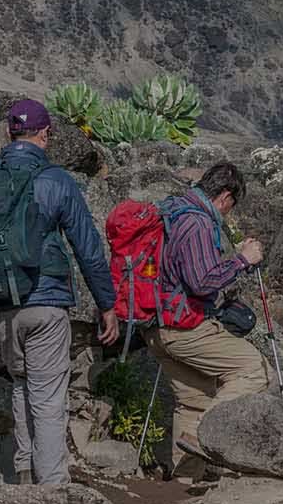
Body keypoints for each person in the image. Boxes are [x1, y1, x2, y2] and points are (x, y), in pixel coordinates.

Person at [0, 99, 117, 486]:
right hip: (44, 303)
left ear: (9, 133)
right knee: (49, 397)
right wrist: (107, 304)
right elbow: (87, 248)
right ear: (45, 135)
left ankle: (24, 472)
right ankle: (53, 485)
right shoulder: (56, 180)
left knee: (22, 383)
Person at [99, 163, 267, 478]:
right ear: (225, 197)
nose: (229, 213)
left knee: (194, 400)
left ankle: (184, 480)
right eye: (232, 206)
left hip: (155, 327)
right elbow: (202, 282)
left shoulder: (173, 210)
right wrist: (243, 259)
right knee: (253, 369)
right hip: (183, 327)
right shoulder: (198, 223)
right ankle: (207, 438)